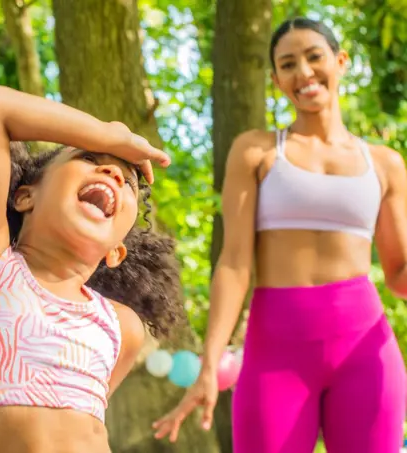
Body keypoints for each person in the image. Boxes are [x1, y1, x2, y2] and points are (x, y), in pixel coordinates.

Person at [153, 16, 407, 453]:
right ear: (275, 80)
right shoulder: (257, 150)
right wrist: (210, 363)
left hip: (365, 350)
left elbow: (400, 273)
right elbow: (234, 263)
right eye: (288, 65)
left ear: (340, 61)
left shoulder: (384, 164)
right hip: (277, 354)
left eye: (314, 57)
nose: (303, 73)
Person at [0, 85, 185, 453]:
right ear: (25, 196)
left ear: (116, 251)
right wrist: (109, 134)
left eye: (128, 180)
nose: (112, 173)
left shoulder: (121, 327)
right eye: (87, 157)